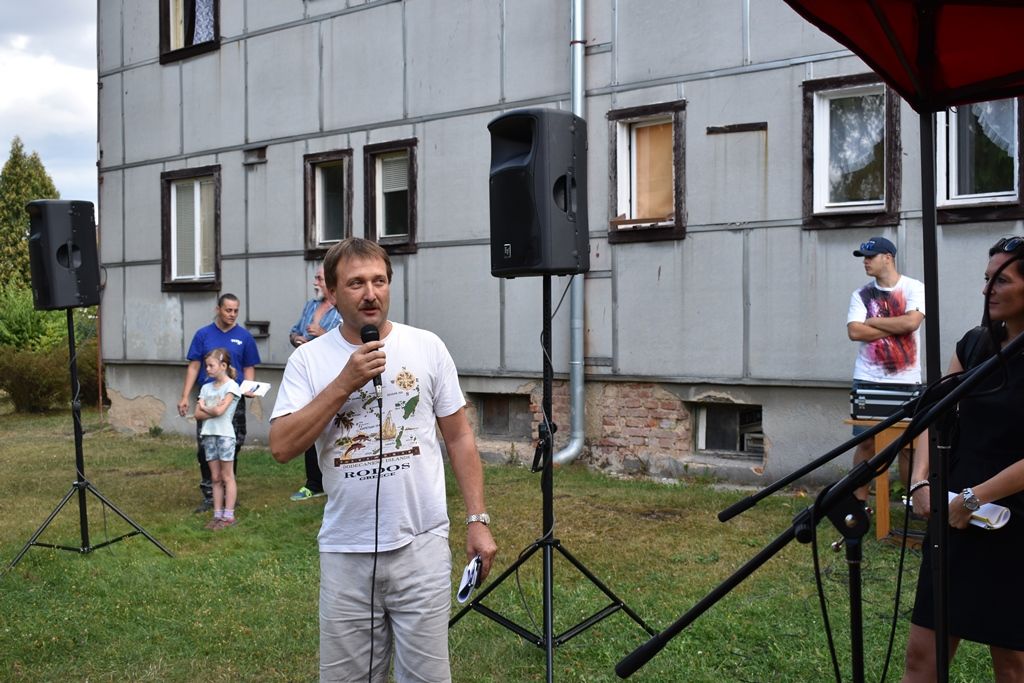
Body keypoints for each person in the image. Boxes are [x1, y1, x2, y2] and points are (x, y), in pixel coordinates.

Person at [269, 238, 498, 682]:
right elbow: (281, 446)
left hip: (422, 546)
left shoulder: (427, 346)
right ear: (331, 292)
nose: (370, 293)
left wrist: (477, 518)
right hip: (346, 551)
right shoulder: (308, 361)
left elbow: (459, 438)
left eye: (379, 281)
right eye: (356, 283)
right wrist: (344, 383)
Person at [902, 236, 1024, 681]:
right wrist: (921, 480)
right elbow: (933, 413)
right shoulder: (975, 345)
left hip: (1013, 521)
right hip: (955, 517)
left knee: (1012, 663)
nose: (987, 289)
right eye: (986, 279)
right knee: (922, 656)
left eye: (1002, 280)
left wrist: (975, 498)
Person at [846, 236, 926, 508]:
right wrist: (896, 325)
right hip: (867, 380)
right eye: (864, 257)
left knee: (909, 446)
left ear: (888, 258)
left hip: (907, 381)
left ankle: (912, 505)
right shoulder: (861, 294)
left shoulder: (914, 288)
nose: (866, 262)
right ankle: (858, 505)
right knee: (866, 443)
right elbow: (855, 331)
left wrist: (873, 321)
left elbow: (912, 323)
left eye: (871, 256)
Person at [177, 294, 261, 513]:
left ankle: (228, 489)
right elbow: (194, 366)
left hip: (233, 399)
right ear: (218, 309)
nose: (232, 315)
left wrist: (249, 388)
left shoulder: (244, 337)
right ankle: (209, 494)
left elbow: (249, 367)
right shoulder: (203, 335)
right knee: (206, 446)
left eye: (236, 311)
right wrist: (185, 396)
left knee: (233, 444)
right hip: (209, 397)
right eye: (228, 310)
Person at [287, 264, 341, 502]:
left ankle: (337, 477)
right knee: (309, 424)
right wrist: (297, 338)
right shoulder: (311, 305)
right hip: (307, 374)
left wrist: (322, 334)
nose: (315, 282)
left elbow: (346, 341)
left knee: (335, 427)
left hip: (332, 376)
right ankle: (314, 483)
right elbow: (293, 330)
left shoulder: (341, 309)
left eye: (319, 278)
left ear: (330, 281)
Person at [194, 348, 242, 529]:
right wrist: (209, 409)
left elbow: (219, 411)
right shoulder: (206, 388)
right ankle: (217, 514)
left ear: (223, 366)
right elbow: (197, 415)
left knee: (227, 476)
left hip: (225, 435)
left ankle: (229, 516)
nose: (207, 369)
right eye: (206, 366)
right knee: (215, 477)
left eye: (211, 366)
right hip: (209, 435)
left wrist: (204, 406)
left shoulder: (232, 386)